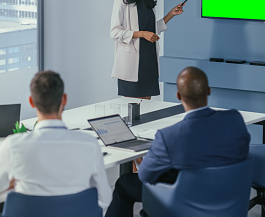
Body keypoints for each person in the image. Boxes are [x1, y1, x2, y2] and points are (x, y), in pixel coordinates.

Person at [105, 67, 250, 217]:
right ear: (208, 90)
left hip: (185, 202)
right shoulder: (235, 119)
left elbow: (145, 176)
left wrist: (142, 161)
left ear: (178, 96)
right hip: (227, 194)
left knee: (124, 183)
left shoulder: (169, 136)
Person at [0, 71, 112, 212]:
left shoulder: (14, 146)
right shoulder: (89, 145)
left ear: (31, 101)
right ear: (64, 99)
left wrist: (9, 185)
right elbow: (105, 198)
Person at [111, 0, 186, 99]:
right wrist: (142, 34)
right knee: (132, 113)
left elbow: (151, 30)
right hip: (131, 64)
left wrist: (171, 14)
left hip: (149, 60)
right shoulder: (121, 1)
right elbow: (114, 32)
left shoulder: (148, 1)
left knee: (146, 110)